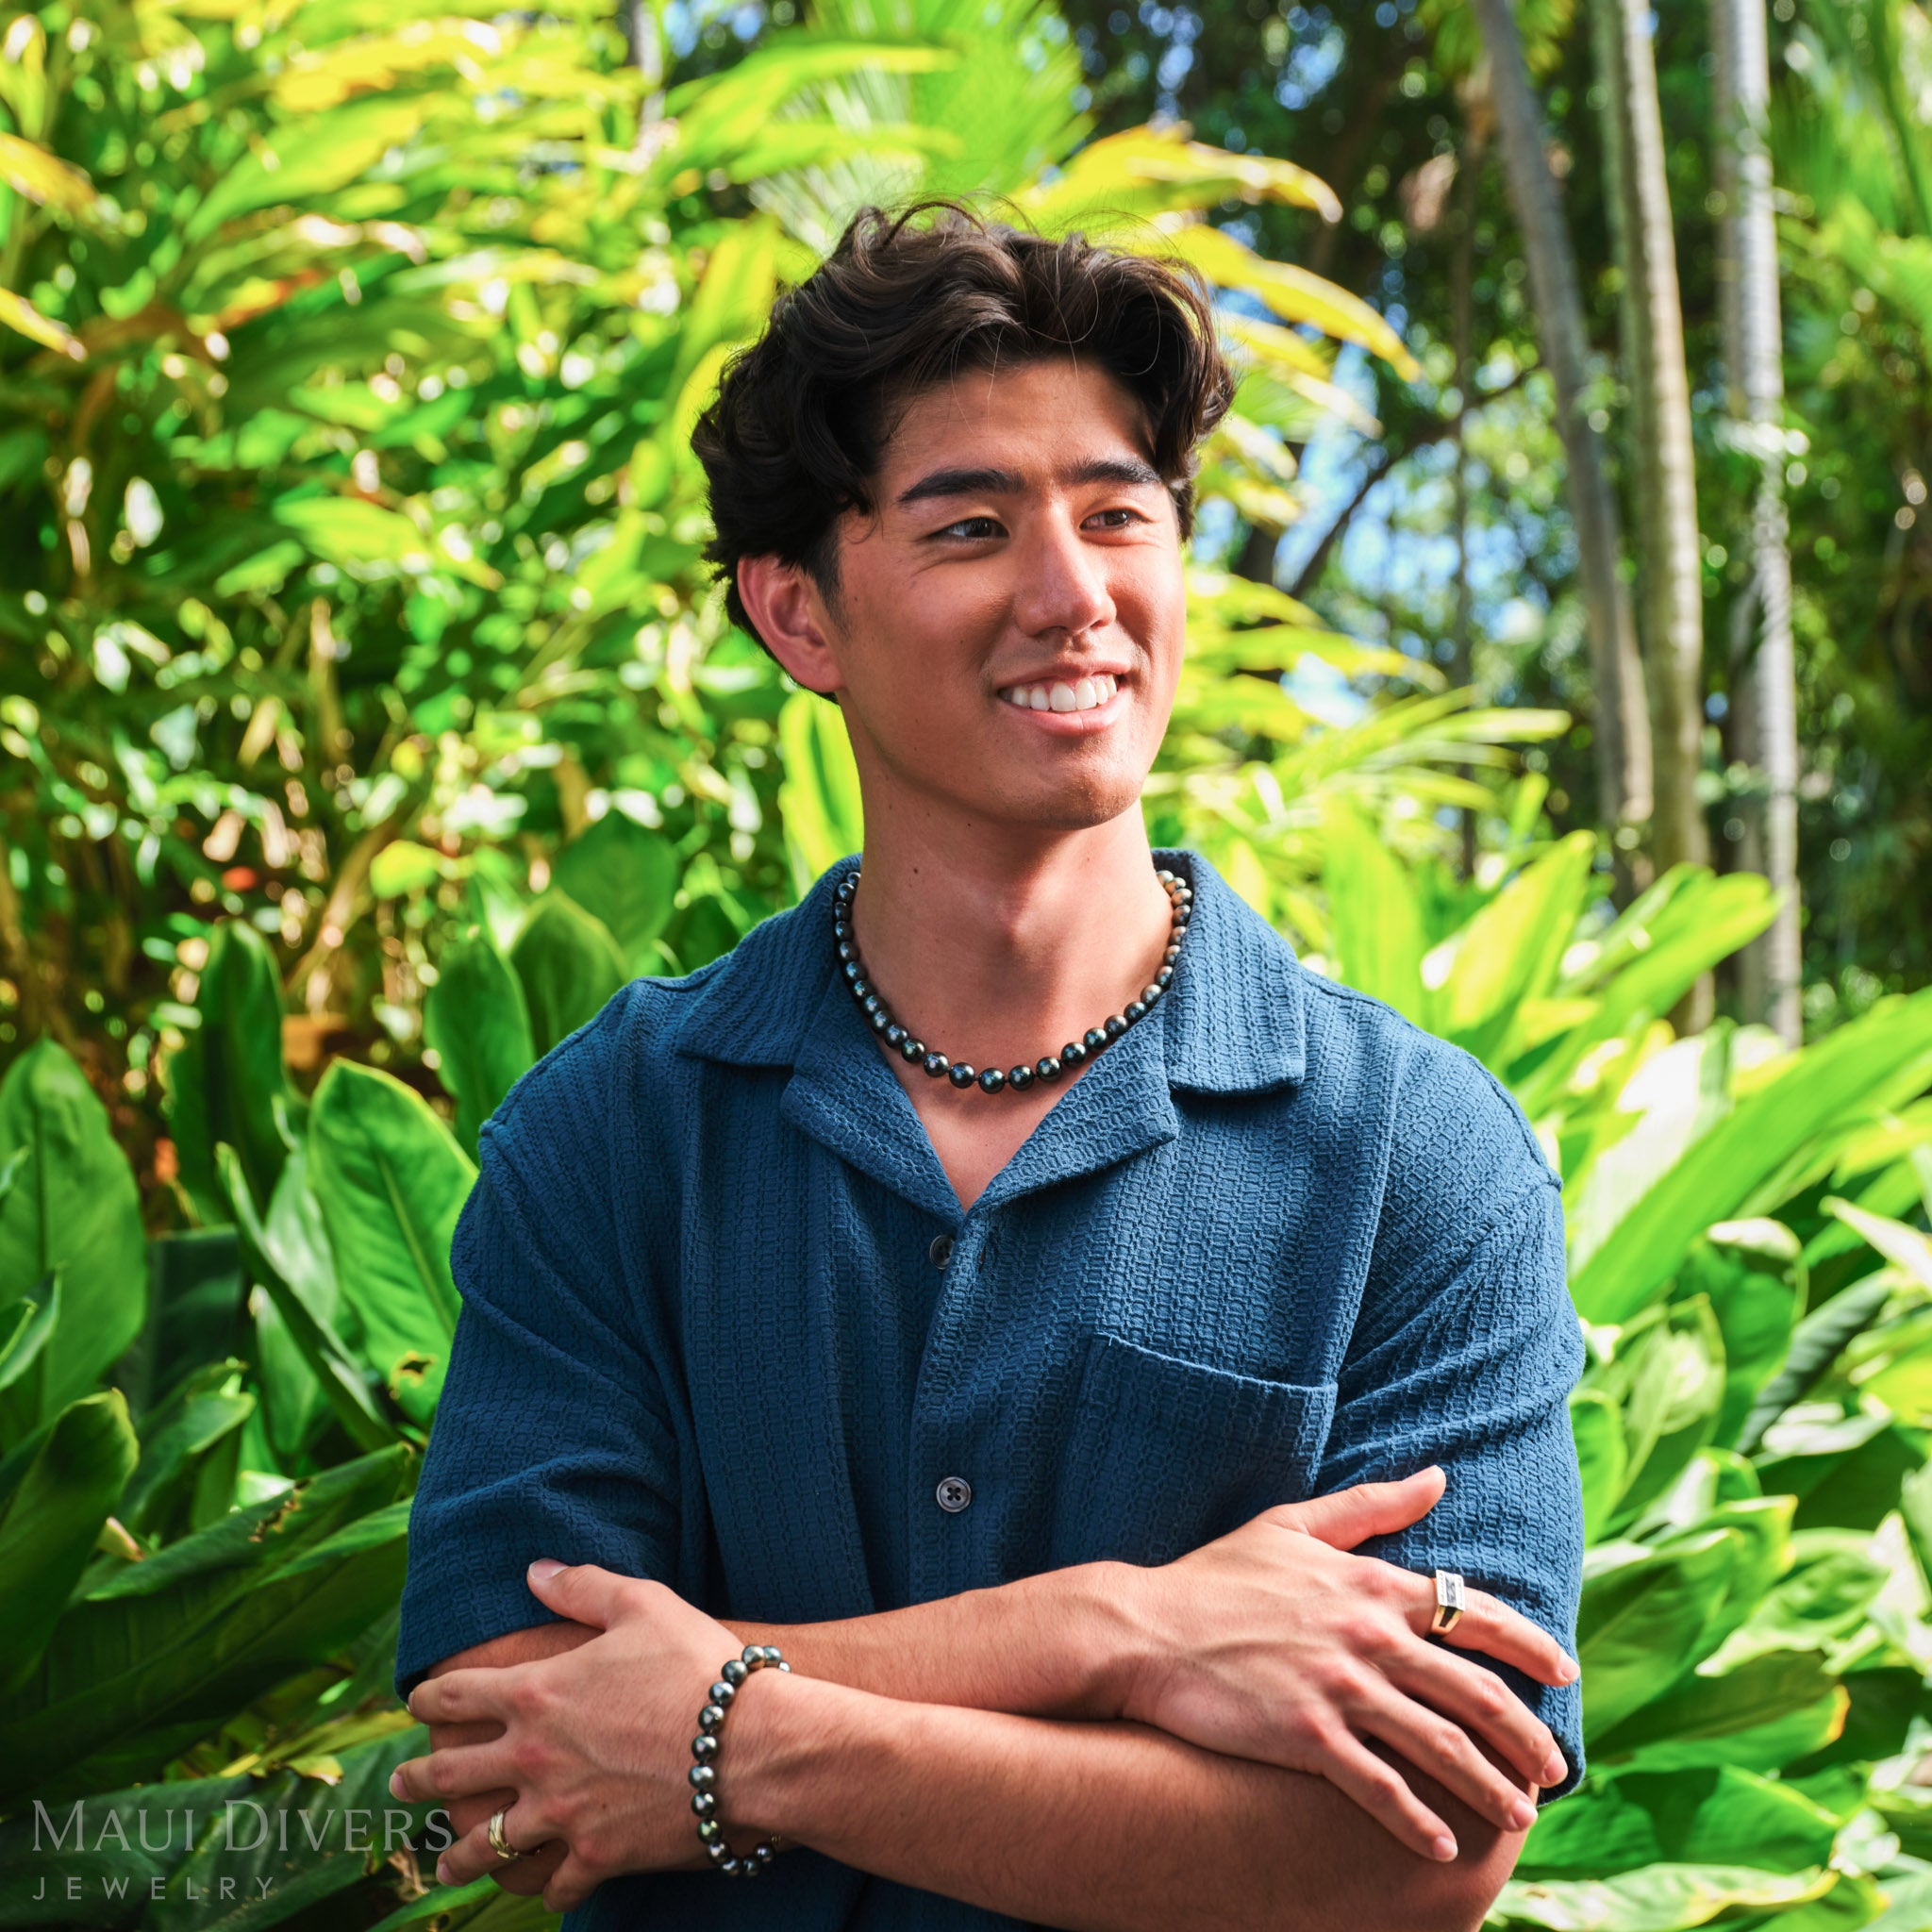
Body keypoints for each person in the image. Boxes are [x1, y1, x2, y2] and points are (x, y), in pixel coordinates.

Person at [387, 198, 1586, 1932]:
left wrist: (735, 1739)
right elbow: (507, 1741)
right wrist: (1124, 1629)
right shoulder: (613, 1131)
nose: (1073, 596)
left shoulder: (1420, 1153)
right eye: (970, 527)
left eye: (1119, 515)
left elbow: (1429, 1844)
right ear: (799, 614)